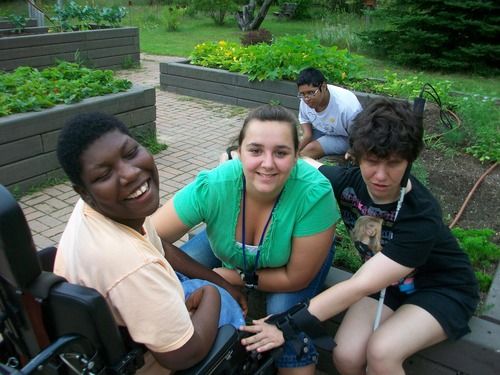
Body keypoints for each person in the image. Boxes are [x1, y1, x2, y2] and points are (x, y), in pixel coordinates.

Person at [240, 98, 479, 375]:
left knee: (381, 352)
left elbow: (360, 285)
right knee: (346, 355)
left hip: (441, 288)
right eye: (372, 161)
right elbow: (302, 164)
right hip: (389, 285)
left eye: (393, 163)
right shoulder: (349, 182)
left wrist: (286, 323)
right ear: (357, 156)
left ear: (409, 161)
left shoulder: (420, 215)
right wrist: (237, 159)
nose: (380, 175)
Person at [152, 104, 340, 375]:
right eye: (255, 150)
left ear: (297, 156)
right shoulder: (215, 186)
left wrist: (235, 278)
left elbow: (295, 278)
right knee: (170, 277)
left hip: (293, 257)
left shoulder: (314, 195)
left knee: (279, 316)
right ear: (238, 152)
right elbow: (150, 239)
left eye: (281, 152)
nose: (267, 163)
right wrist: (214, 280)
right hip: (230, 243)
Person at [54, 112, 246, 375]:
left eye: (131, 152)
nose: (130, 174)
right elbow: (183, 355)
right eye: (104, 174)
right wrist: (214, 293)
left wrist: (220, 281)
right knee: (220, 302)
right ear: (84, 192)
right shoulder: (129, 263)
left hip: (120, 328)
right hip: (149, 359)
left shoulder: (103, 211)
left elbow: (160, 246)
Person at [297, 67, 362, 159]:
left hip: (347, 137)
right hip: (323, 131)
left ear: (323, 86)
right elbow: (307, 134)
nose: (306, 98)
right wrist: (295, 152)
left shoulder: (346, 106)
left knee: (310, 149)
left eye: (311, 92)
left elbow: (359, 136)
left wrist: (352, 152)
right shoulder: (304, 99)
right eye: (302, 94)